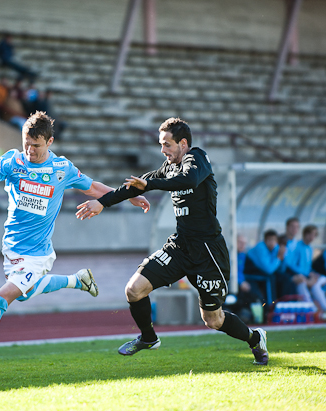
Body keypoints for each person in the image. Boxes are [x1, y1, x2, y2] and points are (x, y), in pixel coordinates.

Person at [0, 111, 150, 349]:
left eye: (36, 145)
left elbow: (93, 187)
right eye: (26, 144)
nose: (30, 150)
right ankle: (77, 280)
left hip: (37, 255)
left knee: (0, 301)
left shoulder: (62, 168)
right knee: (24, 294)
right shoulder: (12, 162)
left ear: (50, 142)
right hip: (11, 248)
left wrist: (128, 195)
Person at [76, 117, 269, 365]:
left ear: (183, 143)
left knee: (213, 320)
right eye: (161, 144)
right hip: (180, 247)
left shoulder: (197, 158)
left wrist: (151, 184)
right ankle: (148, 338)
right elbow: (136, 187)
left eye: (167, 144)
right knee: (134, 290)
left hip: (208, 251)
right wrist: (101, 202)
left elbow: (188, 180)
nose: (163, 150)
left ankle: (255, 339)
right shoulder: (168, 168)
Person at [284, 224, 326, 319]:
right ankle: (312, 310)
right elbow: (290, 264)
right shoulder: (297, 246)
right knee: (303, 284)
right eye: (310, 234)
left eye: (314, 235)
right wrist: (306, 274)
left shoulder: (310, 248)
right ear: (305, 234)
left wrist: (312, 274)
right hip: (296, 275)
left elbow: (307, 266)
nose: (312, 237)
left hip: (306, 275)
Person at [244, 229, 286, 304]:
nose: (271, 243)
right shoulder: (260, 247)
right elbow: (268, 269)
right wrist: (279, 258)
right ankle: (271, 304)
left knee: (284, 278)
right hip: (250, 273)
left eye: (274, 240)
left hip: (261, 272)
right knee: (270, 277)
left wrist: (282, 257)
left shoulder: (276, 248)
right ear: (265, 241)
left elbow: (281, 269)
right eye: (269, 240)